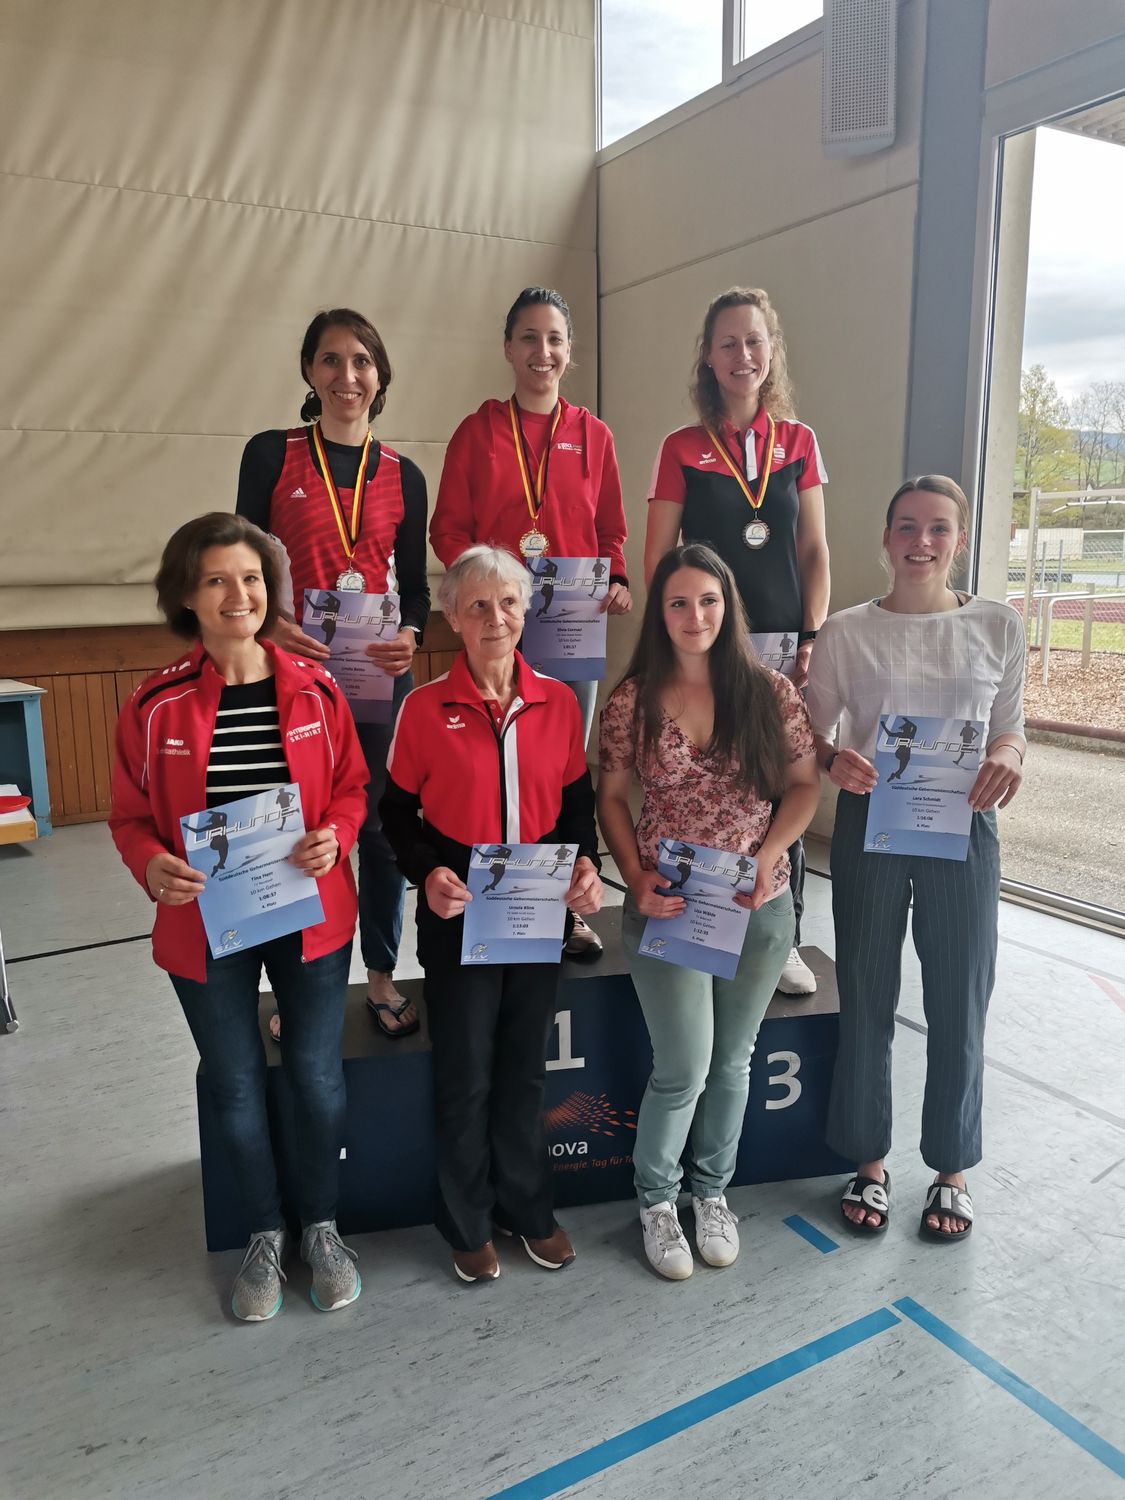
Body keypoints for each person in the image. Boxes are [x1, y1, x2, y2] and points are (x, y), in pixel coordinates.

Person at [109, 513, 368, 1320]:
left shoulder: (317, 688)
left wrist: (336, 835)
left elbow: (353, 788)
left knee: (317, 1079)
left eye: (251, 578)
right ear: (186, 595)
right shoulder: (154, 704)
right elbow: (128, 817)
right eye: (216, 580)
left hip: (310, 917)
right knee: (232, 1084)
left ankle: (320, 1226)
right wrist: (150, 864)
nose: (238, 595)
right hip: (203, 925)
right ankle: (263, 1233)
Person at [805, 476, 1026, 1243]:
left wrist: (1007, 756)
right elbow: (811, 734)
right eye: (906, 526)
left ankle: (951, 1170)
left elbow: (1010, 727)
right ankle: (867, 1160)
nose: (920, 541)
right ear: (885, 538)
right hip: (872, 821)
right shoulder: (845, 631)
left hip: (963, 825)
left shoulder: (997, 625)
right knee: (866, 992)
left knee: (959, 1000)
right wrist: (832, 759)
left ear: (957, 541)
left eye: (937, 528)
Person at [379, 546, 604, 1284]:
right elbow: (395, 815)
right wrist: (427, 873)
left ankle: (527, 1208)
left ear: (527, 609)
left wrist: (584, 863)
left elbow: (575, 803)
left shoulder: (558, 703)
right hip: (459, 911)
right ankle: (467, 1219)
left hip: (535, 908)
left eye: (508, 602)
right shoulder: (422, 708)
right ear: (451, 615)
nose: (495, 618)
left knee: (523, 1071)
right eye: (477, 604)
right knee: (466, 1073)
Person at [597, 544, 819, 1279]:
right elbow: (611, 799)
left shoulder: (771, 692)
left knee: (731, 1062)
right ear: (659, 614)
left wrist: (770, 853)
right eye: (678, 603)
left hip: (758, 904)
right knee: (683, 1066)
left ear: (729, 606)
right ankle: (657, 1202)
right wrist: (632, 877)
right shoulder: (632, 700)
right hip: (670, 905)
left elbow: (802, 787)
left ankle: (711, 1193)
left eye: (708, 601)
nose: (695, 616)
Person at [236, 308, 429, 1037]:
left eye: (361, 361)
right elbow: (240, 563)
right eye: (331, 360)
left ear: (379, 376)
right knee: (293, 827)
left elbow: (415, 588)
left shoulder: (404, 474)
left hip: (376, 676)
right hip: (290, 675)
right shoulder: (271, 454)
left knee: (378, 829)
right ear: (309, 371)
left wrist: (409, 635)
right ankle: (295, 989)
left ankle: (379, 974)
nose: (347, 376)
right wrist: (268, 625)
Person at [430, 287, 631, 961]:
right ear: (508, 348)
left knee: (562, 773)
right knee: (494, 768)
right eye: (528, 337)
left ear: (569, 351)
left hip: (572, 633)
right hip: (497, 630)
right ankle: (502, 902)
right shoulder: (478, 432)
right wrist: (485, 589)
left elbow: (610, 530)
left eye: (554, 339)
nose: (542, 351)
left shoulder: (595, 436)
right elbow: (447, 529)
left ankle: (565, 908)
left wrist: (617, 579)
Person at [643, 287, 829, 998]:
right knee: (717, 787)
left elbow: (812, 550)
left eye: (754, 340)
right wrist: (678, 644)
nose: (742, 354)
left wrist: (811, 635)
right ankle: (703, 919)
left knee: (781, 785)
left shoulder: (799, 442)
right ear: (708, 355)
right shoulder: (681, 448)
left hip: (783, 645)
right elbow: (660, 558)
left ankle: (785, 935)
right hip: (710, 644)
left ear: (770, 350)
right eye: (728, 342)